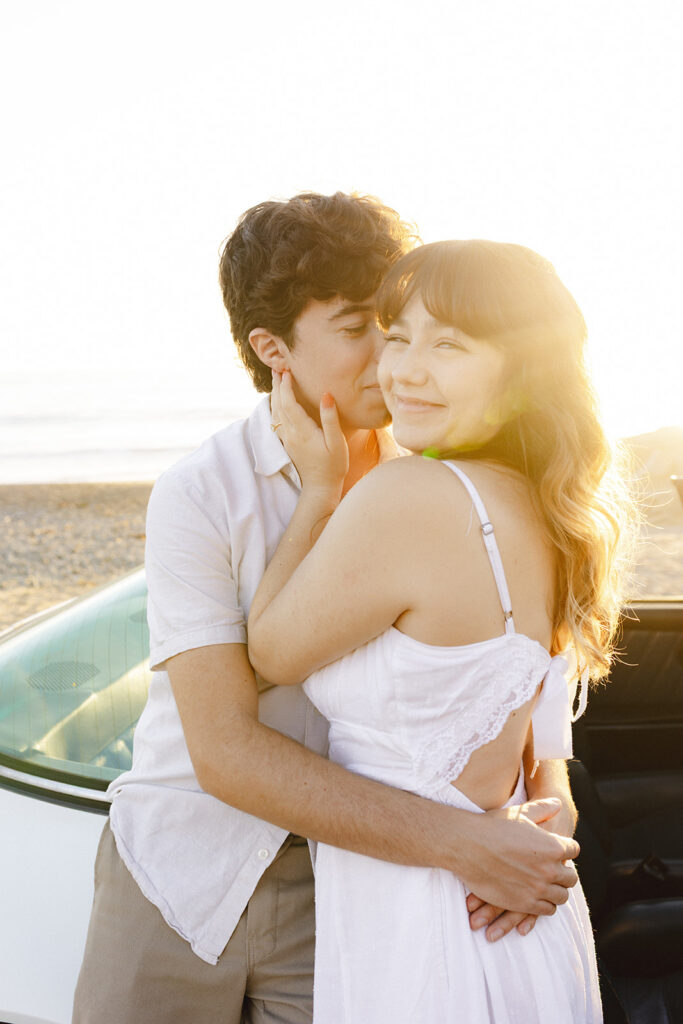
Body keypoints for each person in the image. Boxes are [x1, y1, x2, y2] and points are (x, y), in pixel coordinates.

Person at [73, 201, 580, 1024]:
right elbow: (227, 754)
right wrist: (471, 845)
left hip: (358, 874)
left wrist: (543, 792)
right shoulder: (203, 493)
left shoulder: (438, 462)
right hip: (183, 866)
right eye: (359, 329)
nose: (395, 358)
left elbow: (515, 670)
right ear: (272, 350)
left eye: (400, 324)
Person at [247, 239, 637, 1023]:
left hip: (425, 914)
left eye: (448, 345)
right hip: (510, 911)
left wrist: (321, 489)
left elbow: (271, 649)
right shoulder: (550, 506)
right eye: (397, 336)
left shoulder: (409, 494)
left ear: (522, 373)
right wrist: (550, 790)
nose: (404, 371)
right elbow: (540, 700)